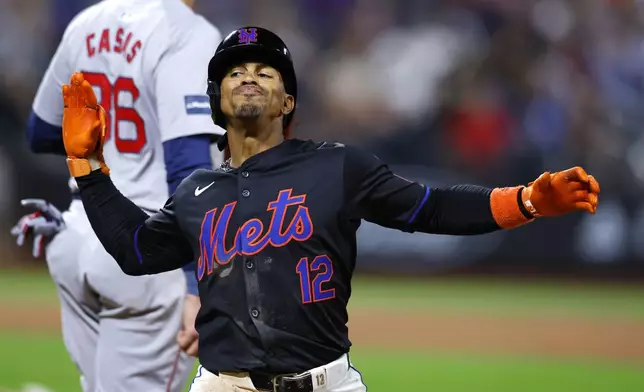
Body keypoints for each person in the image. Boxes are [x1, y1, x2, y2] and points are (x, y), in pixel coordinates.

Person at [59, 27, 601, 392]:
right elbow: (135, 251)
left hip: (326, 382)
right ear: (217, 99)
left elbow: (429, 208)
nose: (249, 75)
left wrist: (526, 200)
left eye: (266, 71)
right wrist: (87, 164)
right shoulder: (197, 191)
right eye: (235, 71)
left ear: (288, 102)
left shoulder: (339, 167)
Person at [10, 0, 224, 391]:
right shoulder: (187, 32)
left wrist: (110, 152)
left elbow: (41, 131)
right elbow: (187, 167)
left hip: (76, 238)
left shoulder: (87, 23)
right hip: (148, 254)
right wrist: (199, 284)